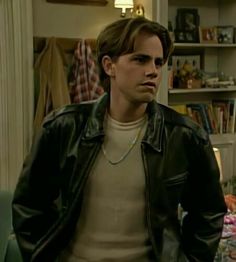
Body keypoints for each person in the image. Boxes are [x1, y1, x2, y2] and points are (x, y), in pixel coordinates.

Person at [12, 17, 227, 262]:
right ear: (109, 66)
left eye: (158, 62)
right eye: (140, 59)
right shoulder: (64, 127)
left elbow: (208, 212)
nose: (153, 71)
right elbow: (29, 205)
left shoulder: (185, 137)